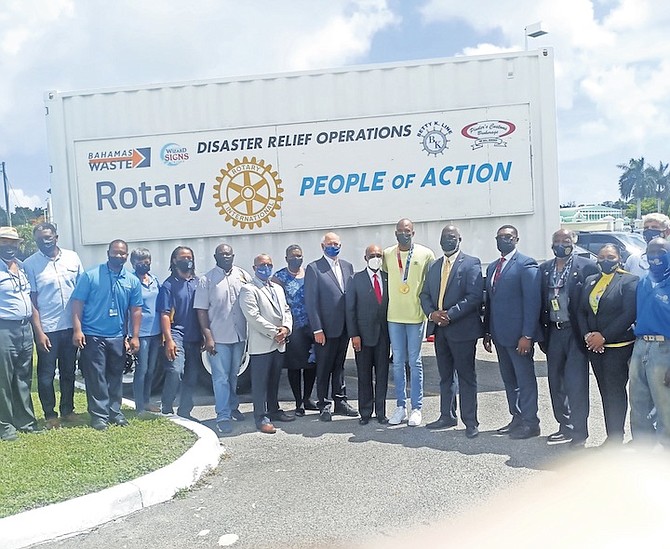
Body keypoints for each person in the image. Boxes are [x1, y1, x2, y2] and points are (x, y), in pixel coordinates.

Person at [420, 225, 483, 438]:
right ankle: (447, 415)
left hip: (462, 329)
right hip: (440, 330)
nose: (447, 240)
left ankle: (471, 421)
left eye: (451, 237)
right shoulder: (435, 266)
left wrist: (450, 314)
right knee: (445, 376)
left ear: (459, 239)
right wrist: (432, 314)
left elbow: (474, 296)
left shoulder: (471, 264)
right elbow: (424, 295)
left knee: (466, 376)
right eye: (444, 237)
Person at [71, 239, 142, 431]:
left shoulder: (132, 281)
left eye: (122, 253)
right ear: (108, 253)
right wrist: (77, 330)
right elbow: (77, 303)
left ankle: (115, 412)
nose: (119, 256)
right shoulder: (91, 275)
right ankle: (99, 415)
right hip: (93, 335)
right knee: (96, 377)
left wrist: (134, 337)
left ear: (127, 256)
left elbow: (135, 310)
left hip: (118, 336)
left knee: (115, 376)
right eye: (115, 252)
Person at [539, 229, 599, 448]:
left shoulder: (587, 267)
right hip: (553, 333)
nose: (561, 244)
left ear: (574, 243)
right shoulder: (545, 269)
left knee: (576, 384)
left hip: (575, 333)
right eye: (557, 241)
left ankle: (580, 432)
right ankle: (564, 426)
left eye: (566, 241)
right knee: (555, 383)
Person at [484, 225, 542, 439]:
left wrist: (527, 335)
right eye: (499, 237)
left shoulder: (526, 264)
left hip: (519, 337)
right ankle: (516, 418)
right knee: (509, 380)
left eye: (508, 237)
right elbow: (490, 303)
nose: (503, 240)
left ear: (516, 239)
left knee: (524, 380)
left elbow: (532, 302)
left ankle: (531, 422)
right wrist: (487, 332)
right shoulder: (492, 268)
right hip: (499, 335)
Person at [24, 222, 83, 430]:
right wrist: (39, 332)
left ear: (56, 237)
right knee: (46, 375)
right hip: (47, 329)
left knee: (68, 371)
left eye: (48, 238)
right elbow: (32, 302)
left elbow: (81, 293)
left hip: (70, 326)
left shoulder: (73, 257)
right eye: (40, 239)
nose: (45, 242)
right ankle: (50, 415)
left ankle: (67, 410)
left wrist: (79, 327)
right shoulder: (30, 264)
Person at [576, 244, 637, 446]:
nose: (605, 260)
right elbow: (582, 311)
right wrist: (588, 335)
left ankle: (616, 437)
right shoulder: (591, 280)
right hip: (595, 348)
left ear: (619, 258)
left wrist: (604, 336)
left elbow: (628, 314)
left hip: (617, 347)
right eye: (601, 257)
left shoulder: (629, 280)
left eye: (610, 256)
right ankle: (610, 434)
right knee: (605, 392)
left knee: (615, 392)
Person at [194, 243, 252, 434]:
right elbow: (201, 310)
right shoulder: (206, 280)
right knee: (220, 378)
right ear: (215, 256)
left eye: (228, 254)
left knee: (233, 375)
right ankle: (223, 415)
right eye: (222, 254)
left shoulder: (243, 276)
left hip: (239, 336)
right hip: (218, 337)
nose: (225, 257)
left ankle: (233, 406)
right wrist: (207, 335)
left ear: (233, 256)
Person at [383, 218, 435, 427]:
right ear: (395, 233)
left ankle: (417, 408)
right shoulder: (388, 254)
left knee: (415, 362)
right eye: (399, 231)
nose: (403, 234)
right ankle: (400, 407)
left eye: (407, 231)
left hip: (415, 316)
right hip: (394, 316)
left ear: (413, 233)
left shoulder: (425, 254)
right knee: (397, 362)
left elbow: (431, 283)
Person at [304, 232, 357, 421]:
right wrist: (317, 329)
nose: (333, 246)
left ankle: (340, 401)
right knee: (324, 367)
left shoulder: (347, 266)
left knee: (339, 366)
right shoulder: (314, 268)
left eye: (336, 243)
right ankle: (324, 404)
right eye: (329, 244)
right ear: (322, 246)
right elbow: (311, 302)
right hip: (325, 330)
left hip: (344, 327)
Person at [239, 254, 293, 434]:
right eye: (262, 265)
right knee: (260, 382)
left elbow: (286, 309)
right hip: (263, 343)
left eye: (269, 264)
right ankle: (261, 417)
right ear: (254, 268)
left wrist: (286, 327)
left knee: (274, 380)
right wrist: (275, 332)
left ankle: (274, 410)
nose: (266, 268)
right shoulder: (248, 289)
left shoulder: (277, 287)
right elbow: (253, 317)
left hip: (279, 342)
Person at [629, 237, 670, 446]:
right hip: (641, 345)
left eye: (660, 252)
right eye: (650, 253)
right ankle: (643, 448)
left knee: (665, 403)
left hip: (666, 348)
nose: (655, 258)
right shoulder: (644, 280)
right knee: (637, 400)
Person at [0, 226, 39, 441]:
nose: (9, 246)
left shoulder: (22, 267)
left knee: (23, 377)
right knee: (3, 380)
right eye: (4, 242)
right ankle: (4, 425)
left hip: (25, 328)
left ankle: (25, 421)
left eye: (12, 243)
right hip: (4, 328)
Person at [345, 244, 390, 425]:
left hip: (383, 336)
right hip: (362, 337)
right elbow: (350, 309)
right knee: (364, 375)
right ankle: (365, 412)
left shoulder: (387, 278)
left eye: (379, 255)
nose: (376, 258)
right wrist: (354, 334)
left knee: (382, 375)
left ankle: (381, 412)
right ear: (365, 258)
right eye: (372, 255)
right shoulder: (356, 279)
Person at [273, 244, 318, 416]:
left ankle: (307, 399)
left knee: (310, 364)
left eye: (299, 255)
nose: (296, 258)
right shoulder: (279, 277)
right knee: (294, 367)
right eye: (292, 256)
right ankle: (298, 402)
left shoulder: (309, 274)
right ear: (286, 258)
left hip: (310, 326)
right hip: (292, 328)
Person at [158, 246, 202, 421]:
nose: (187, 260)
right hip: (177, 335)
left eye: (189, 257)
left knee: (192, 376)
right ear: (174, 261)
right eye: (182, 257)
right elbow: (164, 314)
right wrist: (168, 340)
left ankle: (185, 411)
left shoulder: (198, 282)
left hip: (195, 336)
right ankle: (167, 408)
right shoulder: (168, 285)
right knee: (176, 371)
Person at [129, 248, 162, 415]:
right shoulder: (130, 280)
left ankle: (147, 401)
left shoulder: (155, 279)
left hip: (156, 331)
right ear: (133, 263)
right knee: (141, 369)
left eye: (147, 260)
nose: (144, 264)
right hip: (140, 333)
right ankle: (139, 406)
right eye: (140, 261)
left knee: (151, 369)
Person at [624, 213, 670, 277]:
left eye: (654, 227)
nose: (649, 230)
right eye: (646, 228)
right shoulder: (634, 259)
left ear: (667, 231)